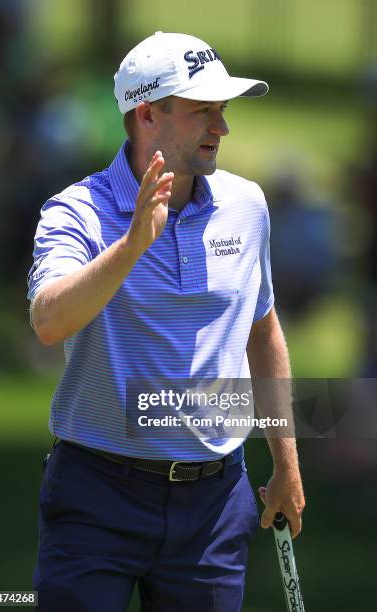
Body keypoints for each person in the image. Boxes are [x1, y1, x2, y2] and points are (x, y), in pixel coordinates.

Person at [27, 31, 305, 612]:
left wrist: (285, 462)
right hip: (97, 494)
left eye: (223, 111)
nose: (221, 128)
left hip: (214, 502)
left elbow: (263, 330)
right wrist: (131, 246)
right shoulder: (76, 210)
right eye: (204, 111)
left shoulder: (247, 205)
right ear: (148, 114)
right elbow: (49, 321)